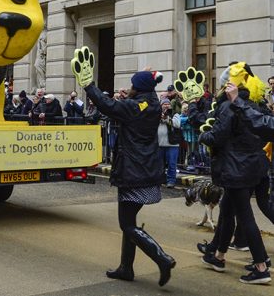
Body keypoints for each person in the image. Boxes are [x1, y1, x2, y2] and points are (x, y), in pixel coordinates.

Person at [83, 70, 176, 287]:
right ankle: (126, 268)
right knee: (130, 222)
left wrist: (89, 86)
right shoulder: (150, 103)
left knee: (126, 224)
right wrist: (130, 97)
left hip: (133, 170)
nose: (130, 87)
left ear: (140, 88)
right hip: (144, 168)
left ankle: (162, 258)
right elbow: (133, 108)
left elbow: (109, 106)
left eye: (133, 85)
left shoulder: (135, 107)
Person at [198, 78, 271, 284]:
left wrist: (204, 135)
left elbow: (218, 137)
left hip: (236, 168)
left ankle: (261, 267)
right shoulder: (253, 105)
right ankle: (219, 256)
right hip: (252, 166)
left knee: (245, 217)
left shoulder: (229, 106)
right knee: (227, 211)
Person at [158, 98, 181, 188]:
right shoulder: (157, 114)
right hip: (159, 144)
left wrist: (167, 118)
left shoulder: (175, 114)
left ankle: (171, 181)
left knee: (172, 164)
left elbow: (177, 124)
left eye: (168, 104)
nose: (167, 105)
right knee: (160, 164)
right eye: (164, 104)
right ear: (161, 106)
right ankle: (161, 180)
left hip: (172, 144)